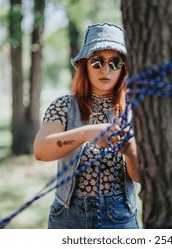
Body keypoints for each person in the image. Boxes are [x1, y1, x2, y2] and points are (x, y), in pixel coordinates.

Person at [34, 22, 139, 229]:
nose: (106, 70)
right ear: (84, 64)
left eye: (115, 62)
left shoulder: (134, 110)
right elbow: (41, 150)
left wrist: (130, 150)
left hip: (119, 217)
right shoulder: (64, 105)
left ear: (124, 67)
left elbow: (140, 176)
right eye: (97, 61)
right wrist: (87, 133)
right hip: (67, 216)